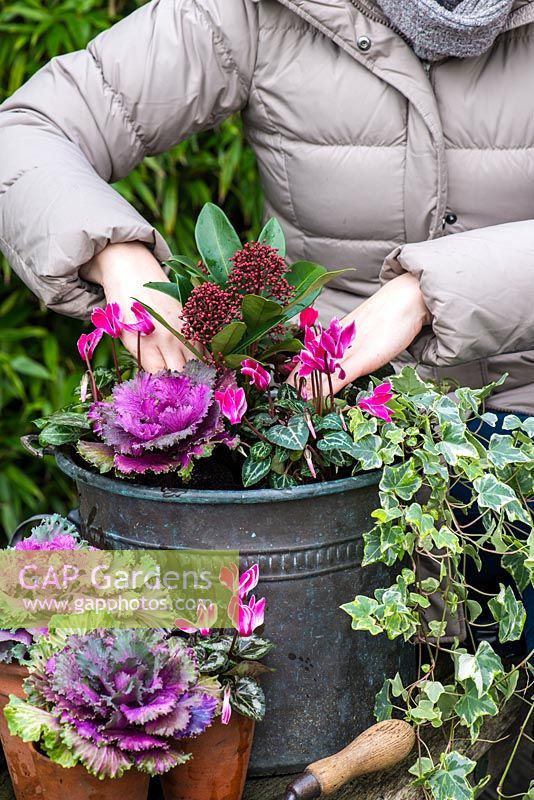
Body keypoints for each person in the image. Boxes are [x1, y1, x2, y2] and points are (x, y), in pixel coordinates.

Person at [0, 1, 532, 631]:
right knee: (86, 629)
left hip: (518, 420)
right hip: (333, 435)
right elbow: (27, 130)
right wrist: (114, 254)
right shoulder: (262, 10)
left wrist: (429, 292)